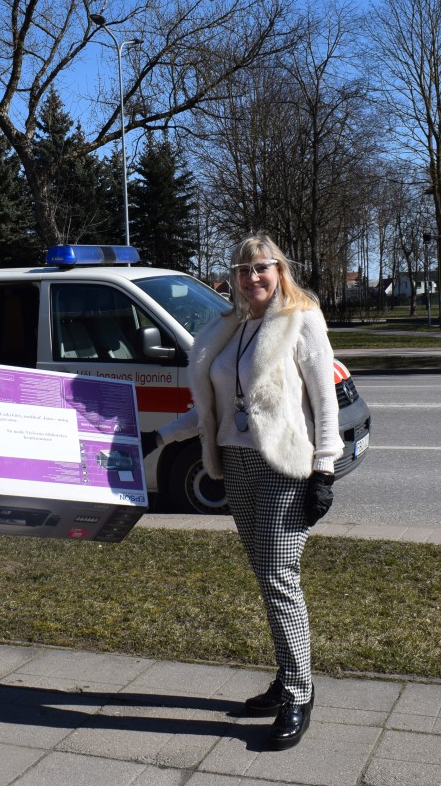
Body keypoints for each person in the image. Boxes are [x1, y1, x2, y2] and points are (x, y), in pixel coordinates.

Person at [149, 233, 340, 751]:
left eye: (261, 267)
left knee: (280, 577)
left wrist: (324, 470)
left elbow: (325, 400)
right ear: (232, 277)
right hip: (236, 463)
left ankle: (299, 693)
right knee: (267, 576)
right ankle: (288, 676)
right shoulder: (230, 326)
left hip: (282, 466)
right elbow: (212, 408)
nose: (252, 277)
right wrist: (162, 437)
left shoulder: (301, 319)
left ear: (279, 270)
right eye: (242, 269)